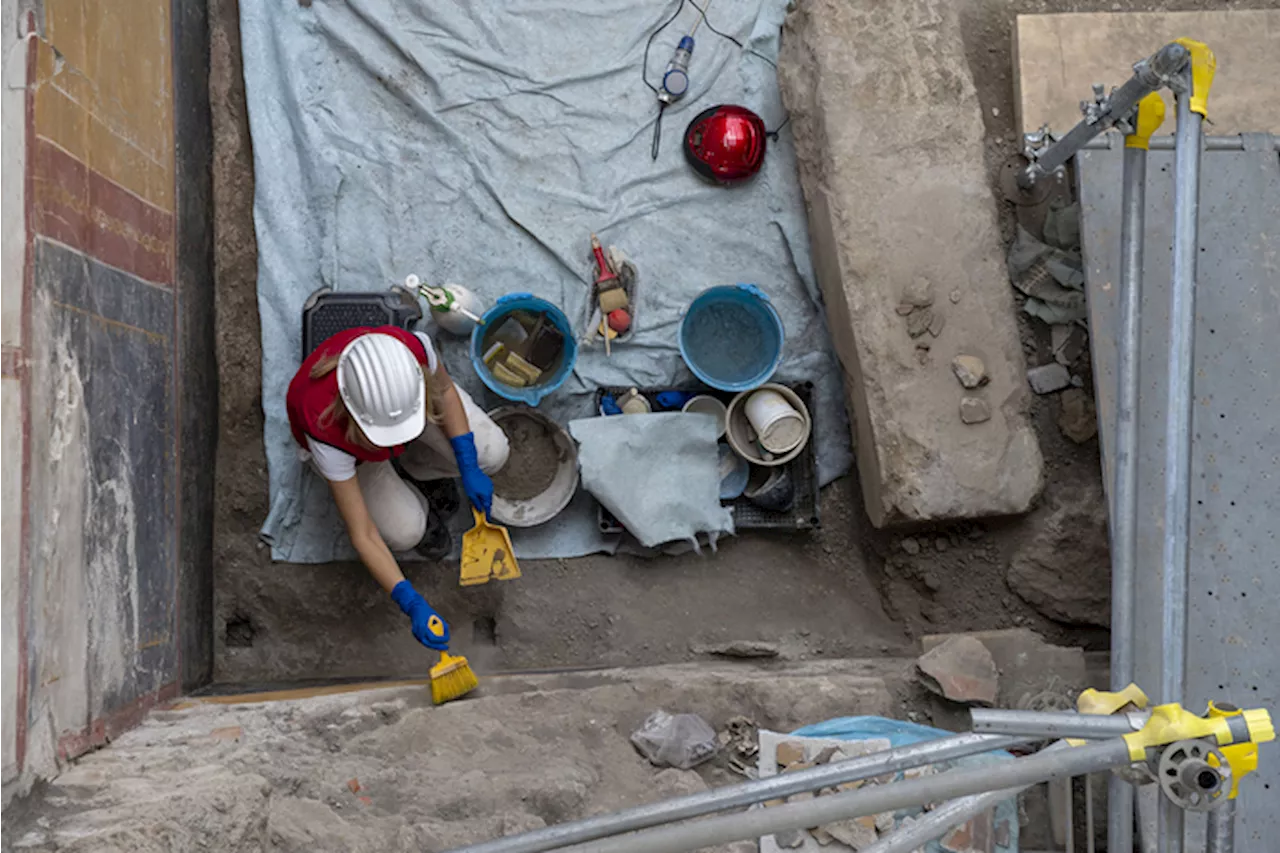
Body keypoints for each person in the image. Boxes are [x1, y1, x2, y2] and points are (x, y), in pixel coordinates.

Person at [286, 325, 509, 650]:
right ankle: (411, 493)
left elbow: (444, 392)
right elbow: (363, 534)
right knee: (406, 533)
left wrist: (469, 462)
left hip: (398, 418)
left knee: (492, 452)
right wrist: (411, 601)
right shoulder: (323, 425)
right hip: (358, 455)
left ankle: (421, 470)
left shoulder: (410, 353)